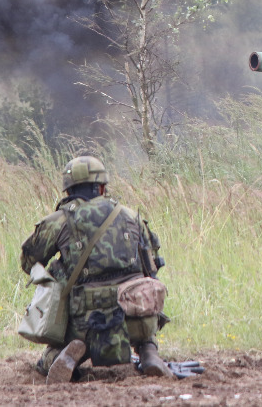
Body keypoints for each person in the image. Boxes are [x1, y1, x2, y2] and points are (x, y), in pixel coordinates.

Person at [21, 155, 173, 384]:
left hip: (87, 322)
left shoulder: (59, 220)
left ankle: (70, 352)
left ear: (68, 191)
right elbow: (152, 268)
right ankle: (148, 349)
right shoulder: (131, 216)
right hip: (134, 319)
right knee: (142, 292)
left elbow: (28, 261)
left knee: (46, 363)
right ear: (102, 187)